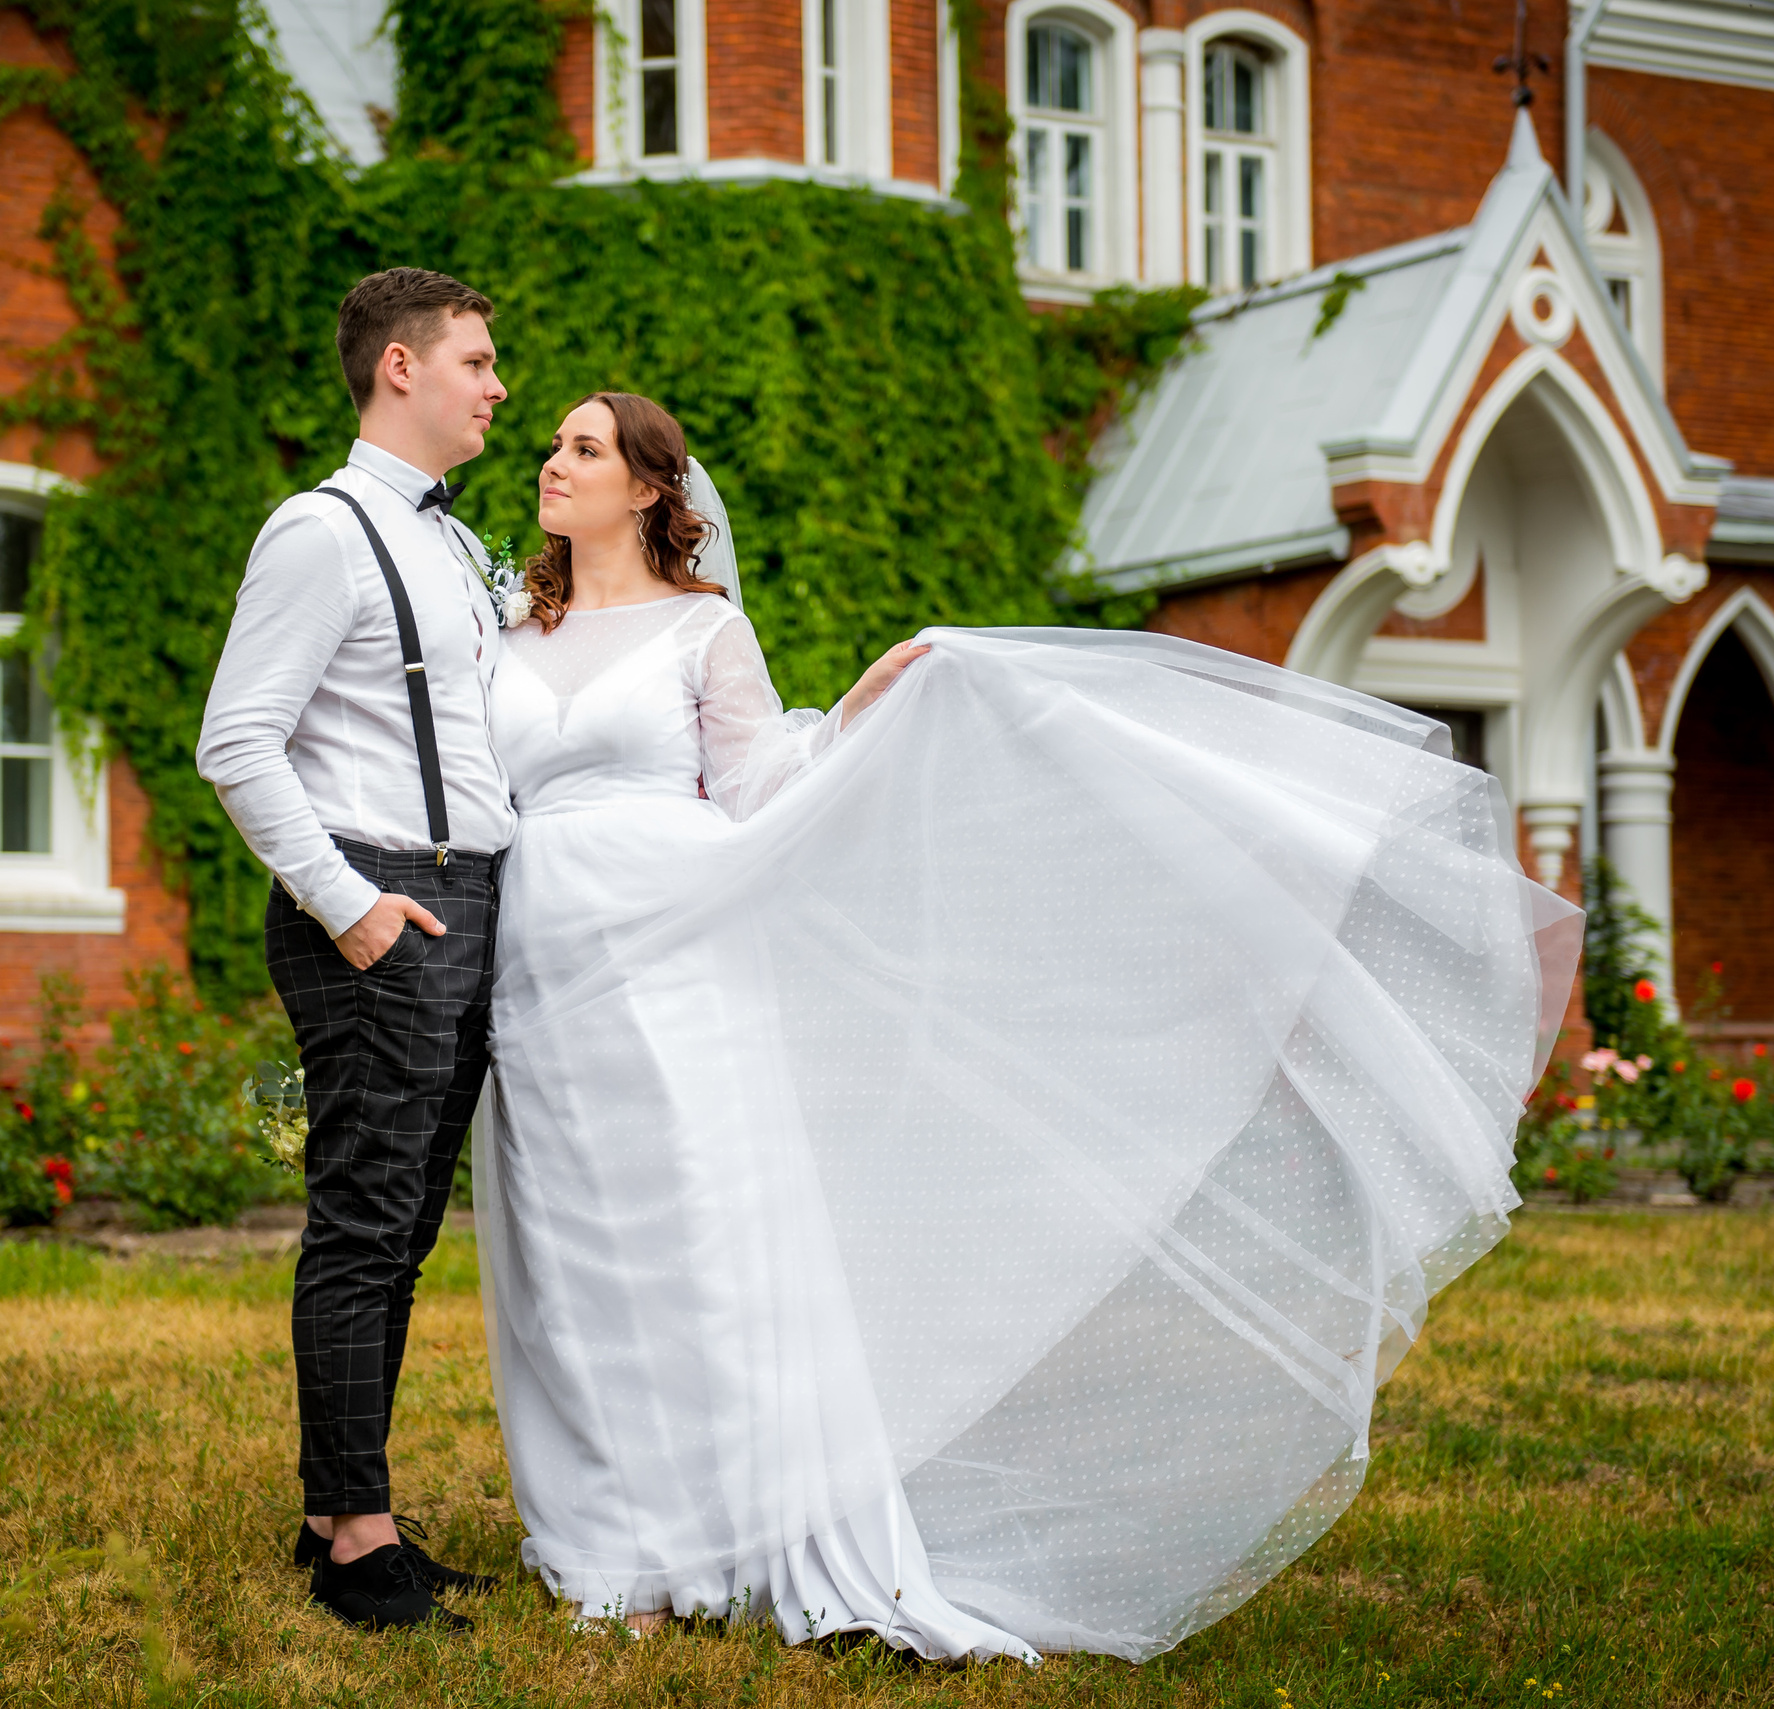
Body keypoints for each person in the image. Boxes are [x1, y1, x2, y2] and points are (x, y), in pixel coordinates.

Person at [473, 392, 1582, 1661]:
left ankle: (733, 1531)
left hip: (675, 965)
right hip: (540, 973)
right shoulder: (510, 631)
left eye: (581, 448)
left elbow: (763, 793)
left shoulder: (702, 634)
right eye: (552, 444)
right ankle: (613, 1539)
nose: (551, 464)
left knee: (696, 1253)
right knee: (568, 1264)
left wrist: (867, 705)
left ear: (653, 492)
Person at [197, 267, 515, 1631]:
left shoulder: (450, 542)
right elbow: (236, 740)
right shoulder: (320, 533)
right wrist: (349, 903)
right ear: (401, 367)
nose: (499, 388)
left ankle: (342, 1508)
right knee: (367, 1221)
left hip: (458, 897)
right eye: (479, 363)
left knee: (400, 1232)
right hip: (383, 901)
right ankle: (357, 1544)